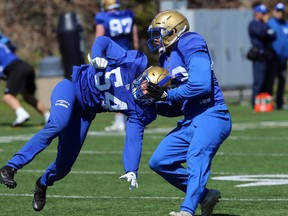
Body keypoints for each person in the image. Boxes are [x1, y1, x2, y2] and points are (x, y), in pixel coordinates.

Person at [0, 36, 171, 212]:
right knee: (57, 124)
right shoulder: (133, 62)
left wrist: (131, 169)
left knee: (63, 167)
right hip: (72, 87)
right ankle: (10, 167)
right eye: (145, 84)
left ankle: (42, 183)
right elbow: (103, 41)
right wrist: (97, 56)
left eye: (150, 91)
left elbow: (134, 138)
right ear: (144, 74)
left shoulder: (143, 110)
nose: (144, 90)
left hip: (85, 112)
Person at [144, 10, 232, 216]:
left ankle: (186, 211)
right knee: (159, 161)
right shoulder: (164, 60)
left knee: (196, 157)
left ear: (175, 30)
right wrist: (151, 104)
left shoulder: (190, 41)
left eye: (160, 32)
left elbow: (201, 85)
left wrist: (167, 95)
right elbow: (175, 106)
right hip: (190, 119)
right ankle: (205, 196)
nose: (156, 38)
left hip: (212, 113)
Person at [94, 0, 139, 132]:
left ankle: (120, 121)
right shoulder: (128, 14)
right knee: (129, 87)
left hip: (112, 56)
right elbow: (135, 37)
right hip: (128, 54)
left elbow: (99, 37)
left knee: (116, 87)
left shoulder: (103, 17)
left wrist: (97, 55)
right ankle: (130, 117)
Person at [0, 33, 50, 126]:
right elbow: (12, 46)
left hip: (17, 69)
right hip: (27, 66)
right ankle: (48, 116)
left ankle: (21, 114)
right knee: (27, 96)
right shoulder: (3, 43)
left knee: (8, 96)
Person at [247, 4, 276, 108]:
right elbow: (262, 34)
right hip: (259, 56)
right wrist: (267, 29)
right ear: (257, 13)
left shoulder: (266, 24)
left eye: (265, 13)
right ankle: (255, 104)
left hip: (267, 55)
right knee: (259, 80)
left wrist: (267, 28)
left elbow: (273, 35)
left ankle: (266, 103)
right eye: (262, 13)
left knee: (269, 80)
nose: (264, 15)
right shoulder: (253, 24)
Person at [267, 3, 288, 110]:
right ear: (274, 11)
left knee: (282, 80)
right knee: (271, 80)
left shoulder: (286, 24)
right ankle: (269, 103)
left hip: (283, 58)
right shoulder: (270, 23)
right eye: (278, 11)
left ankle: (279, 102)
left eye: (282, 11)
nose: (280, 13)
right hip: (273, 58)